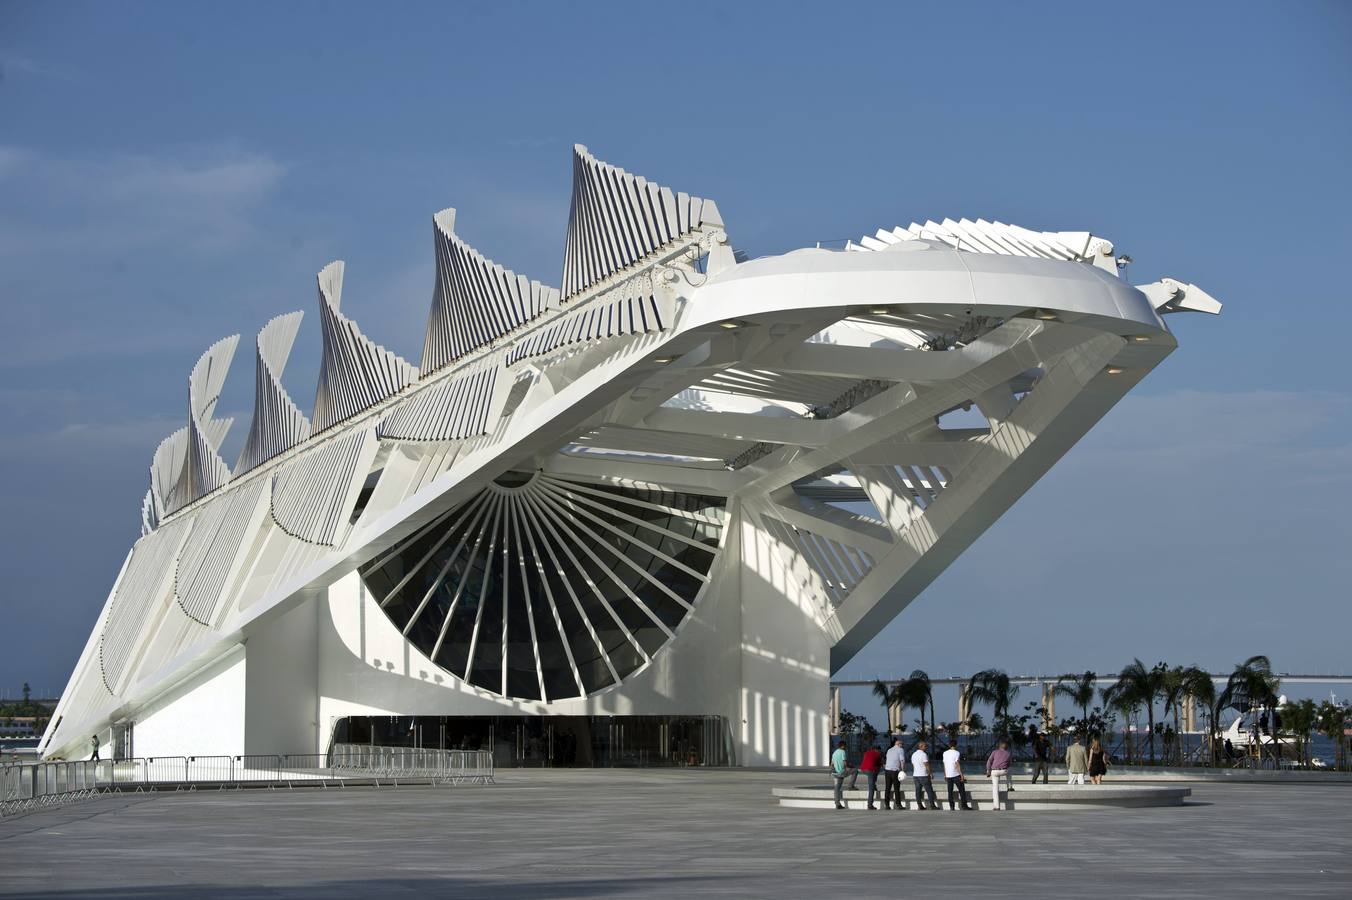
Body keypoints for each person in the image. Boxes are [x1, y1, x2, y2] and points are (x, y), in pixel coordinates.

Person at [942, 738, 973, 810]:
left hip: (948, 775)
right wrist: (961, 775)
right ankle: (964, 806)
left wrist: (945, 774)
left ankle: (952, 806)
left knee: (950, 791)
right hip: (956, 774)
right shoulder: (957, 753)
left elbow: (944, 764)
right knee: (961, 791)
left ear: (949, 745)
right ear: (956, 745)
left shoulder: (945, 753)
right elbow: (957, 764)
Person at [910, 740, 939, 810]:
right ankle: (932, 805)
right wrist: (930, 773)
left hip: (916, 775)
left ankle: (920, 805)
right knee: (929, 791)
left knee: (918, 791)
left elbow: (913, 765)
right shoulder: (923, 754)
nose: (926, 747)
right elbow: (927, 765)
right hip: (924, 775)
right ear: (921, 747)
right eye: (925, 746)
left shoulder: (913, 754)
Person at [830, 740, 859, 809]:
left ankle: (837, 804)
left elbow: (832, 764)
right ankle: (850, 786)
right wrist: (850, 766)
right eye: (845, 746)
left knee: (837, 788)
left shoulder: (834, 753)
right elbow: (845, 763)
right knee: (855, 771)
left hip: (835, 773)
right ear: (842, 746)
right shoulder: (842, 752)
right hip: (841, 772)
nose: (846, 747)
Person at [985, 739, 1012, 811]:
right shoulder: (1008, 753)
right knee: (1009, 771)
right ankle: (1009, 786)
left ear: (999, 746)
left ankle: (997, 807)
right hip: (1003, 771)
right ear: (1006, 747)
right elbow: (1009, 764)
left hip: (994, 771)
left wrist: (988, 770)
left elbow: (989, 761)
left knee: (995, 788)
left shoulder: (994, 752)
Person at [883, 737, 906, 810]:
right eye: (902, 744)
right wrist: (903, 770)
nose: (902, 745)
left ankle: (887, 805)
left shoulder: (889, 750)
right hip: (895, 771)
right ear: (899, 744)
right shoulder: (900, 749)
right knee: (896, 788)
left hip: (887, 771)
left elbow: (887, 759)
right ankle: (898, 805)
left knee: (887, 788)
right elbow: (902, 761)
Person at [860, 744, 884, 810]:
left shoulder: (867, 752)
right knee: (871, 788)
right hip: (870, 770)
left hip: (863, 769)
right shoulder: (878, 754)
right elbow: (880, 764)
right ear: (878, 749)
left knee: (875, 772)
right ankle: (870, 805)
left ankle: (874, 784)